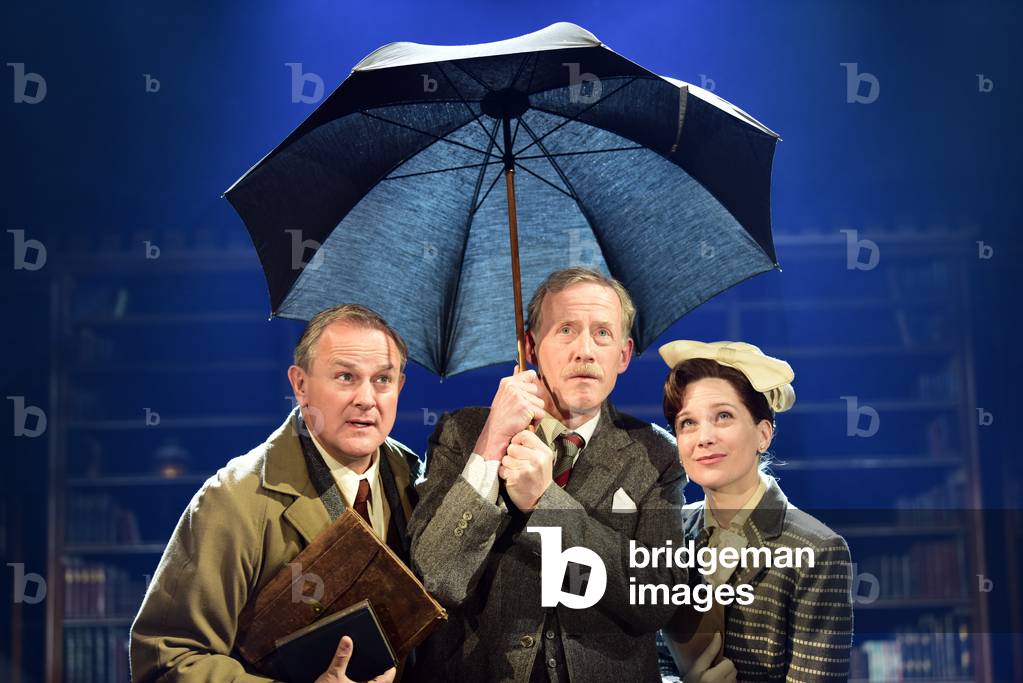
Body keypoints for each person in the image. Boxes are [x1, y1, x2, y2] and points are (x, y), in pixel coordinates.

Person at [408, 267, 688, 683]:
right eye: (566, 330)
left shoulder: (656, 454)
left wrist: (546, 504)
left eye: (602, 334)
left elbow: (656, 600)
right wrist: (490, 444)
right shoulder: (463, 434)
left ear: (623, 355)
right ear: (531, 347)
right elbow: (435, 578)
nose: (585, 351)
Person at [130, 304, 421, 683]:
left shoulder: (413, 477)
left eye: (382, 379)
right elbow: (168, 660)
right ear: (300, 385)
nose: (366, 398)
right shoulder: (234, 499)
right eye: (346, 377)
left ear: (400, 386)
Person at [658, 340, 853, 682]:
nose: (704, 437)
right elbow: (653, 662)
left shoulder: (818, 550)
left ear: (763, 434)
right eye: (688, 423)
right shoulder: (668, 533)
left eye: (723, 416)